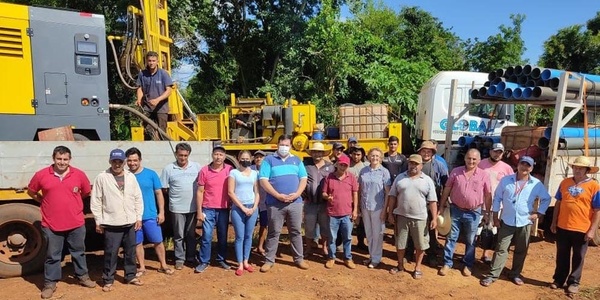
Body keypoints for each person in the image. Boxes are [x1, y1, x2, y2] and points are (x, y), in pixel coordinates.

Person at [27, 146, 96, 299]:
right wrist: (42, 200)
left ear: (69, 160)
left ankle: (82, 276)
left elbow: (85, 192)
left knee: (78, 252)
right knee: (53, 255)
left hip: (76, 222)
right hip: (51, 224)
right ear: (53, 158)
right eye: (59, 159)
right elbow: (31, 191)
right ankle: (50, 283)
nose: (62, 162)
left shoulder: (79, 174)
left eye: (65, 159)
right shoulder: (41, 175)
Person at [480, 156, 551, 287]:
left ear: (531, 168)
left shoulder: (536, 184)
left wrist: (539, 213)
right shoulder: (506, 180)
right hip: (507, 221)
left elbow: (546, 198)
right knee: (501, 248)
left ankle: (515, 274)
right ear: (517, 165)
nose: (524, 167)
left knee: (521, 249)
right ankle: (493, 275)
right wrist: (495, 217)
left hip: (525, 221)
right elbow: (497, 198)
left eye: (528, 165)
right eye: (522, 164)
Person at [90, 149, 144, 292]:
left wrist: (138, 217)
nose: (117, 164)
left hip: (129, 221)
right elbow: (96, 200)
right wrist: (98, 220)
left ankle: (130, 276)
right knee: (110, 253)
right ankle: (108, 279)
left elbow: (138, 198)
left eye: (120, 161)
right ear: (110, 161)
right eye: (114, 161)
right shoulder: (102, 177)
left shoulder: (130, 177)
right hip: (111, 222)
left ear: (124, 162)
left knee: (130, 251)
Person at [550, 156, 600, 294]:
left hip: (582, 228)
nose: (577, 170)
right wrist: (554, 222)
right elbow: (558, 203)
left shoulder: (594, 186)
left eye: (581, 168)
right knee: (562, 255)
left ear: (587, 170)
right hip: (563, 226)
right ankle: (559, 280)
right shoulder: (565, 182)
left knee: (578, 256)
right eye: (576, 167)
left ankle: (574, 282)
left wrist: (592, 230)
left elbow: (597, 210)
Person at [438, 148, 492, 277]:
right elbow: (447, 188)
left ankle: (468, 264)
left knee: (470, 240)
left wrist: (487, 213)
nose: (471, 161)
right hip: (455, 210)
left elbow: (488, 195)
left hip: (474, 212)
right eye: (469, 158)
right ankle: (447, 263)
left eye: (474, 159)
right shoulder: (456, 172)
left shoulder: (484, 175)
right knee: (451, 237)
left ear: (479, 160)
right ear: (465, 158)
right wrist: (441, 205)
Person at [259, 134, 309, 272]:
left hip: (295, 203)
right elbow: (263, 180)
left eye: (287, 145)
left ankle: (299, 259)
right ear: (277, 145)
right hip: (275, 203)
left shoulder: (297, 160)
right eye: (282, 145)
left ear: (291, 146)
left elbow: (303, 179)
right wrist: (277, 195)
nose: (284, 147)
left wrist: (297, 194)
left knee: (296, 231)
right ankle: (269, 260)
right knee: (274, 232)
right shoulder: (269, 160)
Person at [387, 154, 438, 279]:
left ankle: (417, 268)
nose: (413, 166)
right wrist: (390, 213)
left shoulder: (427, 180)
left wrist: (434, 218)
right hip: (401, 216)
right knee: (400, 243)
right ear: (408, 164)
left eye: (416, 164)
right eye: (411, 163)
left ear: (421, 165)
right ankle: (400, 266)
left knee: (420, 244)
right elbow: (392, 196)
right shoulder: (400, 177)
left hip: (420, 217)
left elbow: (432, 201)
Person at [125, 147, 174, 276]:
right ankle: (141, 267)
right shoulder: (125, 176)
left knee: (157, 240)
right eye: (129, 160)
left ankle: (163, 265)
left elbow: (159, 193)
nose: (132, 163)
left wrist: (161, 212)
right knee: (137, 242)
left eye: (135, 160)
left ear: (140, 160)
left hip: (150, 215)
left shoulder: (151, 174)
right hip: (134, 217)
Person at [160, 142, 202, 270]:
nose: (182, 158)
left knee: (191, 234)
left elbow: (201, 186)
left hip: (193, 207)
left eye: (185, 155)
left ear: (188, 154)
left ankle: (190, 256)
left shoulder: (196, 167)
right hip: (177, 208)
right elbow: (164, 188)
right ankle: (179, 258)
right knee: (178, 235)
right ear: (176, 154)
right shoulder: (168, 169)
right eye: (180, 155)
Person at [195, 145, 233, 273]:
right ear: (212, 155)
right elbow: (200, 191)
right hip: (208, 208)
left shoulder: (229, 169)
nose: (218, 157)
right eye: (216, 154)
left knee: (223, 236)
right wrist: (199, 211)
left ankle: (221, 259)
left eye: (221, 155)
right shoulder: (204, 170)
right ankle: (204, 261)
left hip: (223, 208)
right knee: (207, 236)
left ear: (224, 156)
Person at [478, 142, 514, 263]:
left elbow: (512, 186)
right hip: (480, 203)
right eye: (495, 151)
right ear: (490, 152)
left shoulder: (507, 168)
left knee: (491, 230)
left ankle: (486, 254)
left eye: (500, 152)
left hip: (497, 205)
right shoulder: (481, 164)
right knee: (476, 230)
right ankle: (469, 254)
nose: (497, 154)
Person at [322, 154, 359, 269]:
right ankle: (331, 257)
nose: (343, 167)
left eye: (345, 165)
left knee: (347, 237)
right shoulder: (329, 177)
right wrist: (327, 197)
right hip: (333, 213)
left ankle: (348, 258)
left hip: (347, 213)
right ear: (337, 164)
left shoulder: (351, 177)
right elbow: (323, 193)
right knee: (332, 237)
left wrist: (355, 210)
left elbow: (355, 193)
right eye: (341, 164)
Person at [416, 140, 448, 266]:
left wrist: (443, 203)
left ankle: (432, 255)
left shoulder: (439, 165)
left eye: (429, 151)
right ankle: (409, 253)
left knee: (431, 229)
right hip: (416, 203)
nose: (426, 153)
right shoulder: (414, 163)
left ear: (433, 153)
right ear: (420, 152)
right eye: (424, 151)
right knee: (414, 229)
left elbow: (446, 184)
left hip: (432, 203)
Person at [358, 147, 391, 268]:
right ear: (368, 157)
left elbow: (388, 192)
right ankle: (371, 256)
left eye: (377, 156)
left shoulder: (384, 172)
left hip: (378, 207)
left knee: (378, 234)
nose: (375, 158)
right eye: (372, 155)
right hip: (365, 206)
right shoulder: (363, 171)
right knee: (369, 232)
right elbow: (360, 189)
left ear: (381, 158)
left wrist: (385, 210)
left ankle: (376, 258)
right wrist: (358, 207)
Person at [228, 150, 260, 276]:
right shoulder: (234, 173)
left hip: (252, 207)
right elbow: (231, 192)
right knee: (240, 237)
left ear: (251, 159)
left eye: (247, 158)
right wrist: (242, 207)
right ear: (238, 158)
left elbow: (257, 192)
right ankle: (240, 263)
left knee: (248, 236)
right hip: (238, 208)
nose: (245, 160)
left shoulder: (254, 173)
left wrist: (253, 207)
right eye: (243, 158)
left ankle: (246, 261)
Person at [304, 142, 334, 257]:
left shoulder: (330, 167)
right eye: (315, 152)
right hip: (310, 202)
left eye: (319, 152)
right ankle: (308, 248)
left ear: (323, 153)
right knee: (309, 227)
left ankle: (324, 248)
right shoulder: (306, 165)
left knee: (325, 227)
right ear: (311, 153)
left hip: (324, 203)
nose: (317, 154)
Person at [135, 51, 174, 140]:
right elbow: (140, 88)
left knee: (162, 131)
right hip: (147, 108)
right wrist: (139, 99)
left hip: (161, 108)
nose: (151, 63)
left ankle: (163, 150)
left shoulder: (164, 74)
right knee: (147, 131)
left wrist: (157, 100)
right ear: (147, 61)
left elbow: (169, 91)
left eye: (153, 61)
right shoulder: (142, 74)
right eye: (149, 61)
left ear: (157, 62)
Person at [348, 145, 368, 250]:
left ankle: (361, 242)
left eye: (359, 154)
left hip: (363, 196)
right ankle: (345, 242)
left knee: (362, 221)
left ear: (362, 155)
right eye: (354, 154)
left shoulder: (366, 166)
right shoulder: (347, 166)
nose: (356, 156)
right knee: (349, 220)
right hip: (349, 197)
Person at [251, 150, 268, 255]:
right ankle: (249, 245)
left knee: (264, 225)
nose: (258, 159)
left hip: (265, 202)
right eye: (256, 157)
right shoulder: (250, 170)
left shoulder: (268, 170)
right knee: (251, 225)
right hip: (252, 202)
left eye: (261, 157)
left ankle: (260, 246)